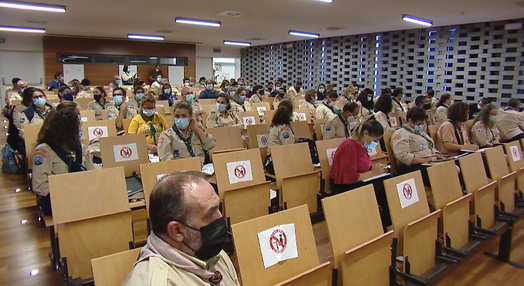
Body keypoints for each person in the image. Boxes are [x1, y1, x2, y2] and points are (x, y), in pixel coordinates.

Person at [122, 171, 240, 286]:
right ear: (177, 231)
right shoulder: (156, 281)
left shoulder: (211, 253)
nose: (220, 218)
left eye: (218, 208)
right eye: (210, 214)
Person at [32, 102, 95, 215]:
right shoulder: (44, 150)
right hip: (57, 198)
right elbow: (40, 185)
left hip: (81, 193)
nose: (80, 126)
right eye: (77, 125)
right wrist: (67, 193)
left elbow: (91, 174)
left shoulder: (81, 148)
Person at [330, 115, 390, 227]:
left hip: (357, 181)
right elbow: (350, 177)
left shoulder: (362, 145)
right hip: (344, 186)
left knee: (387, 180)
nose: (376, 143)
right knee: (383, 186)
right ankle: (385, 224)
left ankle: (385, 223)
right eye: (375, 140)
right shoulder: (349, 147)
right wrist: (373, 173)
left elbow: (364, 166)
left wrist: (374, 168)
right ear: (366, 134)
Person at [391, 107, 440, 185]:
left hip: (430, 162)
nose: (422, 126)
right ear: (410, 121)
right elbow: (402, 155)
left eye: (423, 124)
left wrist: (438, 156)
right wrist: (426, 160)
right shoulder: (401, 134)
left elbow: (430, 147)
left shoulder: (420, 133)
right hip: (413, 167)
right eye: (419, 124)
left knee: (454, 167)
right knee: (445, 173)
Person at [265, 102, 297, 174]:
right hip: (276, 162)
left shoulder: (276, 125)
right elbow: (288, 148)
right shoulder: (284, 129)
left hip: (274, 160)